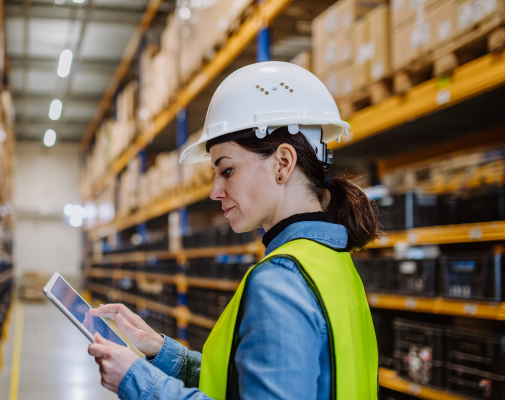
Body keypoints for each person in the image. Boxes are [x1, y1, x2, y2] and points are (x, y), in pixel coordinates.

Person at [88, 61, 380, 400]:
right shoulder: (333, 262)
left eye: (226, 170)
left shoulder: (281, 281)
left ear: (283, 164)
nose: (214, 191)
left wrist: (137, 380)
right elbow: (253, 379)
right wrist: (160, 351)